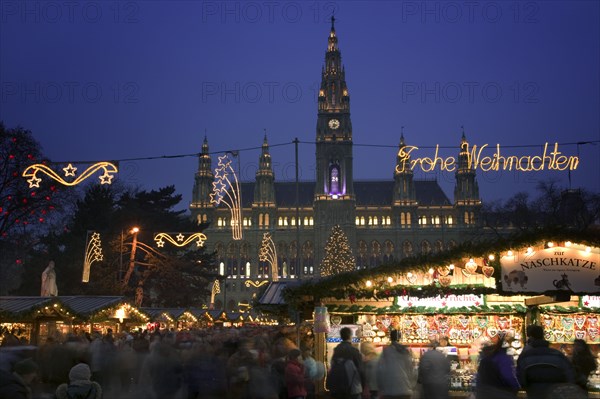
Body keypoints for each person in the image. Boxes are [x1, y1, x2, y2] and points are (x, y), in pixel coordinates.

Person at [516, 325, 576, 399]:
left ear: (530, 337)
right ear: (543, 336)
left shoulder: (526, 356)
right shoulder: (557, 355)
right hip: (556, 392)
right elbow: (569, 374)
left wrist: (525, 387)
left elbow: (520, 376)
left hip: (534, 392)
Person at [475, 333, 520, 399]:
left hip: (484, 394)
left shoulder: (484, 359)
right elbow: (509, 377)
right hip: (501, 394)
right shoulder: (503, 358)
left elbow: (478, 379)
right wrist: (516, 387)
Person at [376, 329, 415, 399]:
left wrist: (381, 387)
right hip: (405, 390)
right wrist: (411, 386)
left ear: (390, 338)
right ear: (400, 337)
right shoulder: (406, 351)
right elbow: (412, 371)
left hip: (389, 391)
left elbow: (380, 371)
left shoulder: (386, 351)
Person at [327, 327, 364, 399]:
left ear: (341, 336)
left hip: (338, 389)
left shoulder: (336, 350)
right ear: (350, 336)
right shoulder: (354, 351)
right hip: (353, 389)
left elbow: (332, 366)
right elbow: (360, 370)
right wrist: (362, 386)